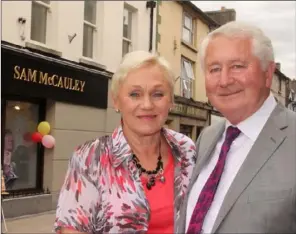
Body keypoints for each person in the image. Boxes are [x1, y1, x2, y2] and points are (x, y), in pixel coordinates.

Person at [54, 51, 197, 233]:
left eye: (158, 94)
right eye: (135, 94)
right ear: (117, 101)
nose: (147, 105)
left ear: (171, 102)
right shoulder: (90, 158)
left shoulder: (186, 149)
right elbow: (71, 229)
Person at [177, 21, 296, 233]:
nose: (224, 80)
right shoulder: (208, 137)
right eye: (214, 69)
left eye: (237, 66)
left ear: (268, 73)